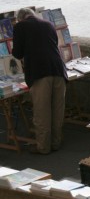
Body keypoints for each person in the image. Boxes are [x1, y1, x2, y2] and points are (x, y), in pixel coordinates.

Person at [12, 8, 68, 154]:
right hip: (58, 70)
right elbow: (53, 44)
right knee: (57, 109)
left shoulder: (20, 26)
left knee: (42, 112)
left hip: (39, 72)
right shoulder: (48, 24)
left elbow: (17, 53)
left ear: (20, 19)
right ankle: (56, 143)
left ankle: (43, 147)